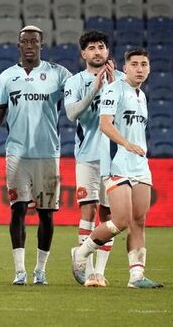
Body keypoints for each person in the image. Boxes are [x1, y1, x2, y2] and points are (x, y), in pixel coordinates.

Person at [0, 25, 71, 286]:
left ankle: (40, 270)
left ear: (42, 45)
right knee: (18, 209)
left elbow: (77, 92)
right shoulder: (7, 76)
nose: (30, 45)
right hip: (16, 153)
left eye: (35, 41)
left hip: (48, 153)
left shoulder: (58, 73)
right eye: (25, 41)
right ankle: (20, 270)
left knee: (46, 212)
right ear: (19, 45)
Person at [71, 47, 163, 289]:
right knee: (120, 220)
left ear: (149, 69)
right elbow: (105, 124)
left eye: (144, 64)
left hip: (140, 166)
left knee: (139, 221)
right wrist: (126, 144)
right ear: (125, 68)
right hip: (116, 164)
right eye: (135, 64)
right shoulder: (114, 90)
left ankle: (136, 276)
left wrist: (135, 148)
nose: (140, 69)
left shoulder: (142, 96)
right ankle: (81, 253)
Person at [64, 30, 123, 287]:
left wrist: (112, 84)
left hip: (115, 158)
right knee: (87, 210)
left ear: (107, 51)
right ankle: (86, 269)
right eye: (91, 48)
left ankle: (100, 271)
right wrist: (96, 88)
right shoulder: (75, 82)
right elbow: (72, 114)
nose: (97, 52)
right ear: (83, 54)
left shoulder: (121, 80)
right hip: (87, 156)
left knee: (109, 215)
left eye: (101, 47)